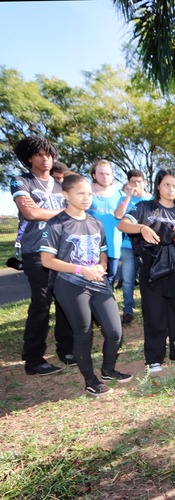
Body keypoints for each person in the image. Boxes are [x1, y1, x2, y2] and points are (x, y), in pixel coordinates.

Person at [40, 174, 133, 396]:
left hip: (97, 282)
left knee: (114, 331)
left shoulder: (95, 222)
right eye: (80, 193)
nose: (86, 197)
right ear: (66, 194)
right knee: (83, 332)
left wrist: (101, 266)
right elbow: (47, 260)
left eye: (89, 193)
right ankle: (90, 380)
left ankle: (108, 370)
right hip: (70, 284)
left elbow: (102, 252)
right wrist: (82, 270)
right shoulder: (56, 224)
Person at [118, 168, 175, 373]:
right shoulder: (145, 207)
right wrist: (142, 228)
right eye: (167, 185)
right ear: (157, 186)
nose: (171, 189)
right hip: (151, 269)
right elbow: (122, 224)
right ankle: (154, 358)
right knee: (154, 313)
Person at [11, 135, 74, 375]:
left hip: (63, 251)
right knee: (41, 303)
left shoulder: (61, 186)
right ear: (29, 157)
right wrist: (66, 212)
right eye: (38, 154)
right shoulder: (21, 181)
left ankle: (66, 350)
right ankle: (34, 359)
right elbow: (31, 212)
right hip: (35, 251)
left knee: (65, 300)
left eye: (48, 154)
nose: (45, 158)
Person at [114, 169, 152, 325]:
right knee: (128, 280)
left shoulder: (151, 199)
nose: (136, 184)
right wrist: (128, 196)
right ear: (128, 183)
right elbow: (118, 216)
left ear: (145, 182)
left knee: (149, 279)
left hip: (148, 246)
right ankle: (128, 310)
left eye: (139, 181)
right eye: (132, 181)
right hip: (128, 246)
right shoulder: (124, 199)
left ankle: (148, 308)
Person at [87, 160, 124, 286]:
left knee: (110, 280)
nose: (105, 177)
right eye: (101, 173)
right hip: (90, 246)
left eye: (108, 174)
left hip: (113, 246)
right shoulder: (86, 193)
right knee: (90, 280)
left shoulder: (121, 195)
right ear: (94, 175)